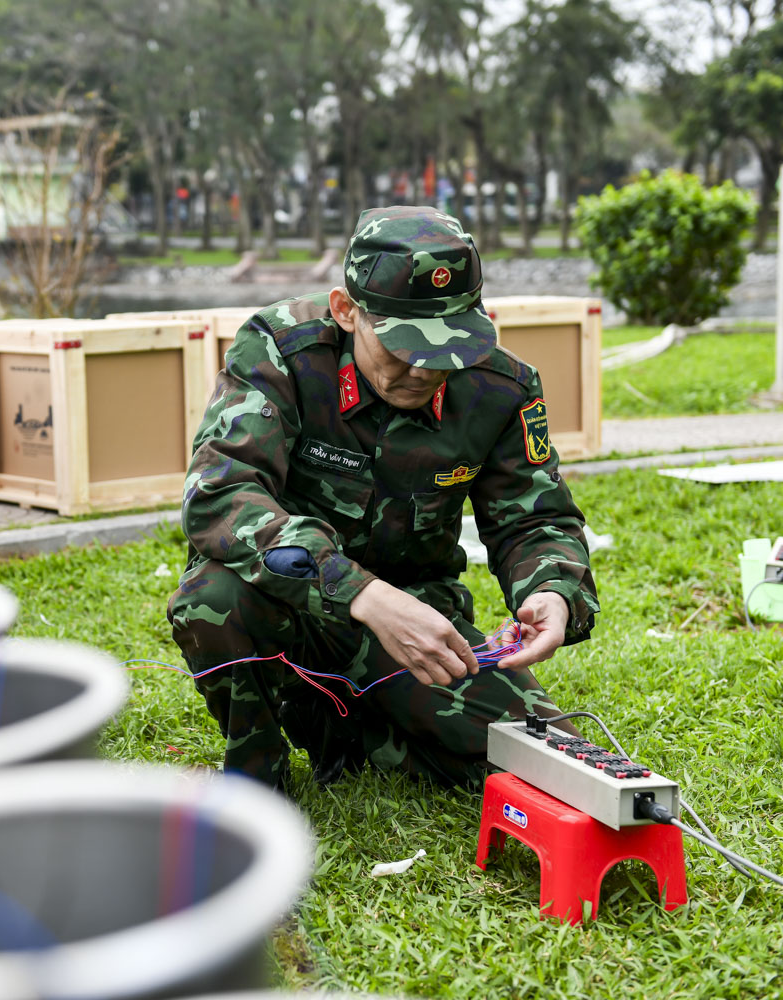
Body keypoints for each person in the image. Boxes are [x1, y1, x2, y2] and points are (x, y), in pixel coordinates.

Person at [167, 205, 599, 790]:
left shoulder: (502, 387)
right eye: (403, 345)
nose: (424, 369)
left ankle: (345, 723)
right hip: (290, 608)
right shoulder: (282, 351)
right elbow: (220, 492)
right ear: (347, 311)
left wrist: (553, 589)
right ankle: (258, 768)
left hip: (422, 619)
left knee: (534, 763)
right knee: (211, 596)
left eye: (448, 348)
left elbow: (536, 518)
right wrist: (362, 593)